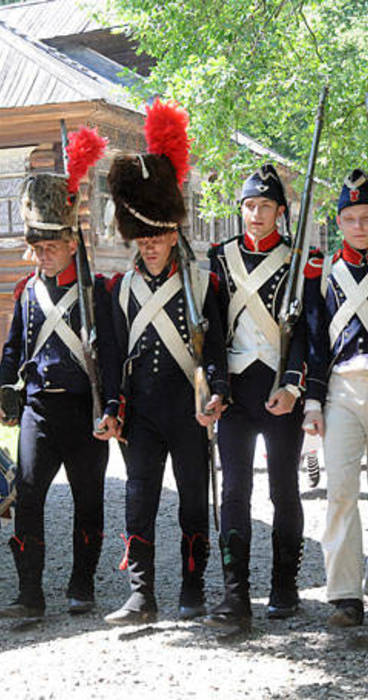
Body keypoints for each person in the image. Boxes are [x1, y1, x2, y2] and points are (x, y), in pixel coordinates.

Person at [103, 101, 227, 625]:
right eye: (142, 240)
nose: (149, 248)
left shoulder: (203, 283)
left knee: (194, 501)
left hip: (187, 407)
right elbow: (111, 355)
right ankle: (140, 593)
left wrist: (216, 392)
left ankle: (193, 589)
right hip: (142, 411)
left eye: (157, 239)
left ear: (174, 233)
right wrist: (111, 406)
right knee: (139, 499)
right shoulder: (121, 289)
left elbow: (217, 348)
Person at [0, 129, 120, 618]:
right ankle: (29, 594)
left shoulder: (96, 292)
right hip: (40, 409)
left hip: (83, 409)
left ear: (71, 241)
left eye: (49, 244)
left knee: (88, 502)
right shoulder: (28, 291)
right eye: (35, 245)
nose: (41, 253)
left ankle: (82, 585)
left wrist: (111, 407)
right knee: (27, 497)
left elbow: (108, 356)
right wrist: (1, 394)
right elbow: (13, 350)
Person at [204, 164, 308, 632]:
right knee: (234, 491)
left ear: (280, 213)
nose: (256, 213)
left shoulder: (297, 259)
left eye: (265, 206)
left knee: (284, 488)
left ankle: (285, 585)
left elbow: (305, 332)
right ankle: (235, 592)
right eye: (249, 206)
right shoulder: (219, 259)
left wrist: (291, 385)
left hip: (280, 390)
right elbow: (209, 333)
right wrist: (218, 386)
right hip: (237, 393)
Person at [303, 168, 368, 627]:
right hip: (342, 390)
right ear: (339, 221)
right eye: (352, 218)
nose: (360, 226)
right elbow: (314, 343)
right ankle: (345, 595)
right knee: (341, 493)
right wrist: (312, 403)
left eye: (367, 217)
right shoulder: (325, 274)